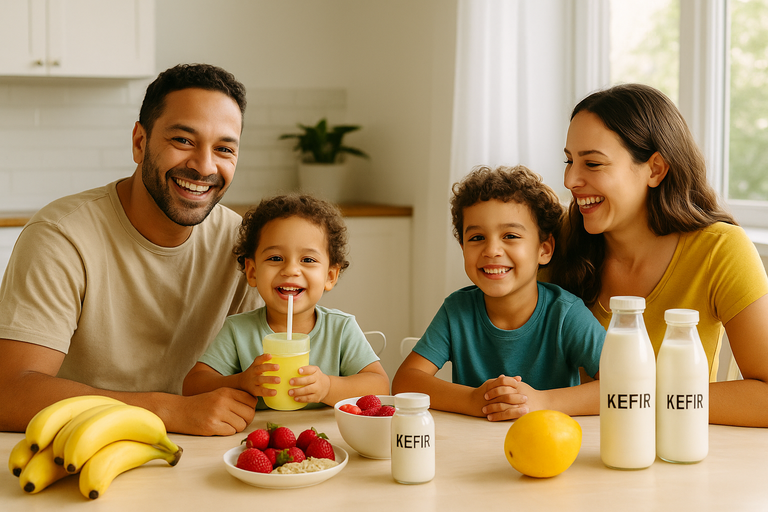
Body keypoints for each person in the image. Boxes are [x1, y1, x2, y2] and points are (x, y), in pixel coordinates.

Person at [0, 64, 265, 436]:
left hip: (203, 453)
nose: (204, 166)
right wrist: (169, 410)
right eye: (183, 141)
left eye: (223, 148)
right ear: (140, 143)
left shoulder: (241, 243)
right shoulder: (62, 235)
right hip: (78, 452)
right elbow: (8, 393)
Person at [550, 83, 768, 427]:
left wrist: (632, 396)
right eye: (569, 160)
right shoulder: (558, 243)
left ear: (655, 169)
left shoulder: (720, 249)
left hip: (674, 456)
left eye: (592, 163)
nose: (570, 179)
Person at [392, 165, 606, 421]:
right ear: (462, 248)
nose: (492, 249)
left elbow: (625, 385)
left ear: (544, 249)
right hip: (471, 449)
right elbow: (405, 382)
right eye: (477, 238)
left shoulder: (566, 314)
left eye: (510, 235)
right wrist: (472, 400)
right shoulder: (457, 310)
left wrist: (540, 401)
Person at [183, 194, 390, 407]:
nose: (291, 270)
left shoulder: (341, 329)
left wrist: (327, 386)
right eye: (275, 258)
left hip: (324, 439)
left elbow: (380, 386)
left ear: (330, 276)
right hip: (261, 438)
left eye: (308, 260)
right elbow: (193, 386)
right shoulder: (238, 331)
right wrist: (241, 381)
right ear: (252, 272)